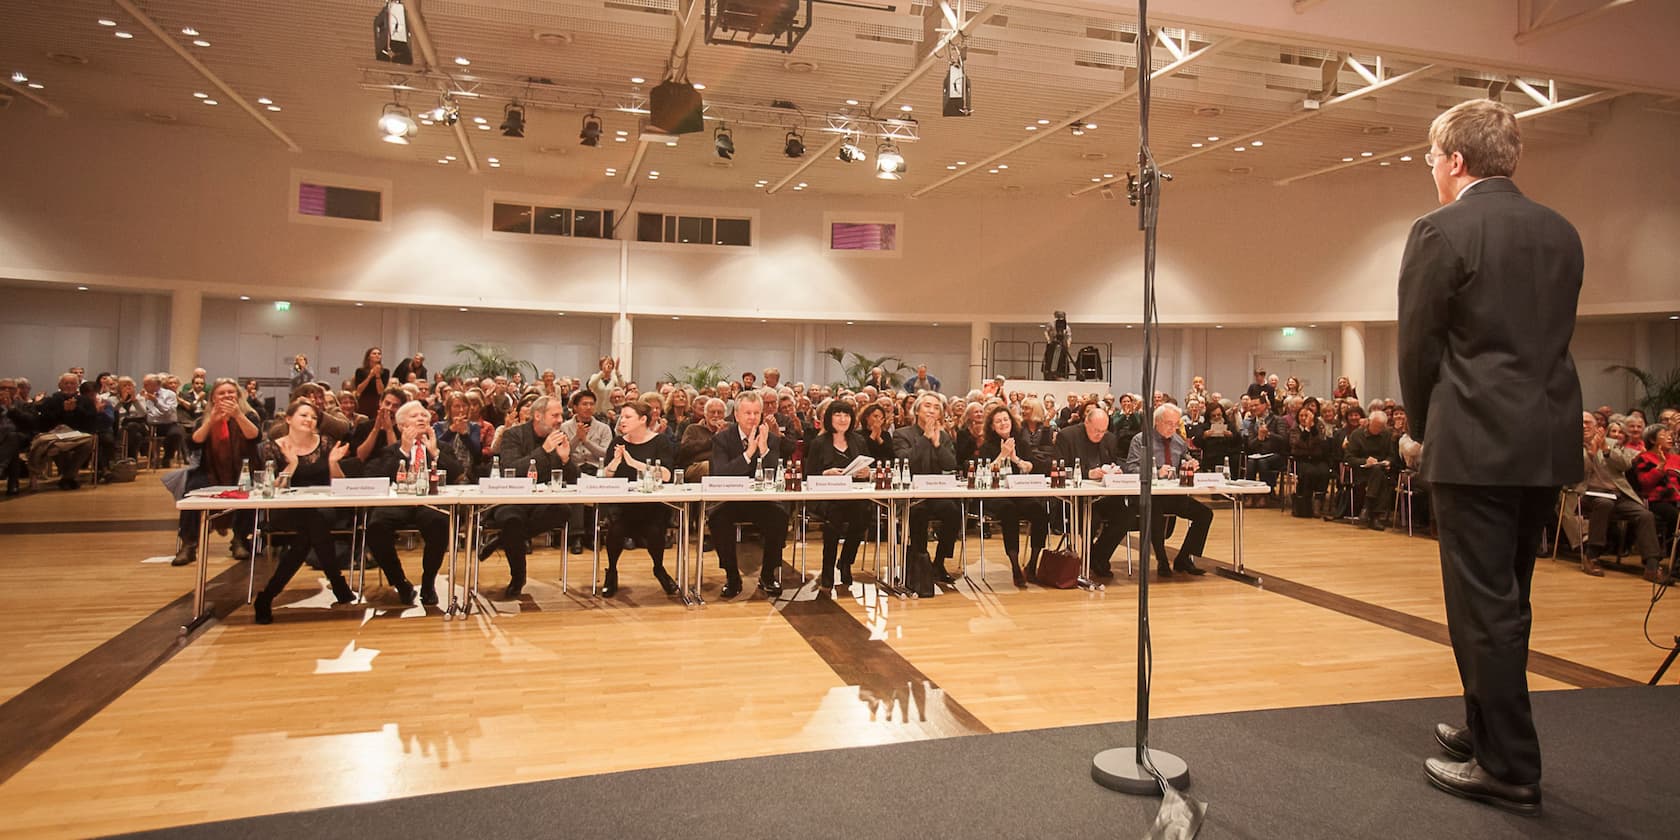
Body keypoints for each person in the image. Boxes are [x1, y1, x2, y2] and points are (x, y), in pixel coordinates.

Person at [1399, 98, 1581, 815]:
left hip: (1473, 443)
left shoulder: (1441, 230)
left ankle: (1509, 767)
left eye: (1430, 157)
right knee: (1510, 598)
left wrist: (1421, 428)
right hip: (1544, 440)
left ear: (1455, 161)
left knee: (1481, 610)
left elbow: (1419, 348)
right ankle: (1485, 728)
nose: (1430, 170)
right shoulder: (1561, 232)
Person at [252, 399, 355, 624]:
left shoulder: (326, 443)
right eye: (304, 415)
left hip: (323, 507)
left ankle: (267, 597)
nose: (309, 420)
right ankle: (338, 584)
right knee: (311, 530)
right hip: (287, 509)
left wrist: (334, 463)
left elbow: (340, 484)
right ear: (288, 419)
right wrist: (291, 464)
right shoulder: (273, 446)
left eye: (313, 417)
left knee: (312, 527)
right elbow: (272, 489)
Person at [363, 401, 465, 607]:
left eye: (424, 416)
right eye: (414, 416)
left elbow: (457, 473)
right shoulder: (391, 450)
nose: (421, 418)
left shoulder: (441, 447)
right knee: (375, 526)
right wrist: (404, 450)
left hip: (430, 501)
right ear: (401, 426)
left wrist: (435, 453)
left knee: (440, 523)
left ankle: (428, 583)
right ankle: (401, 583)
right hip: (398, 502)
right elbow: (378, 477)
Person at [483, 396, 577, 598]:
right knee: (512, 520)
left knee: (563, 510)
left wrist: (565, 459)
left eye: (561, 414)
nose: (560, 419)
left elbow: (574, 479)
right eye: (555, 415)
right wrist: (543, 451)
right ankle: (518, 578)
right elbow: (511, 469)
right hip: (512, 498)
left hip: (543, 500)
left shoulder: (559, 436)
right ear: (537, 416)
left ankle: (501, 539)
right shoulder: (513, 435)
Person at [707, 391, 789, 598]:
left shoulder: (770, 438)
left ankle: (768, 575)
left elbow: (775, 475)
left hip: (761, 500)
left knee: (780, 517)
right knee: (717, 519)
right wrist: (747, 454)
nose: (752, 418)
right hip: (731, 500)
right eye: (747, 413)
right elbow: (720, 474)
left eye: (756, 413)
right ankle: (732, 576)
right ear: (736, 415)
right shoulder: (722, 439)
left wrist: (763, 450)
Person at [594, 403, 679, 598]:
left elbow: (666, 475)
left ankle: (659, 569)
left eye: (627, 417)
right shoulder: (617, 441)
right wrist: (615, 462)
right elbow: (605, 477)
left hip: (652, 507)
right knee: (616, 530)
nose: (622, 420)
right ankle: (612, 572)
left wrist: (634, 464)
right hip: (623, 507)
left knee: (655, 531)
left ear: (643, 420)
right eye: (621, 416)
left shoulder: (660, 442)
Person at [1575, 412, 1664, 580]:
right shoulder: (1570, 445)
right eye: (1581, 423)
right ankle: (1592, 556)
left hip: (1617, 494)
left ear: (1597, 427)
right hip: (1588, 494)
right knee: (1604, 503)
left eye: (1588, 422)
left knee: (1645, 514)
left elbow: (1625, 465)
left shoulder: (1611, 443)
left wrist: (1606, 450)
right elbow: (1576, 474)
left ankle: (1652, 566)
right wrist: (1592, 454)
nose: (1584, 426)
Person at [1125, 404, 1210, 577]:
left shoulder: (1178, 441)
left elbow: (1186, 458)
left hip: (1172, 493)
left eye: (1176, 424)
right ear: (1157, 422)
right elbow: (1131, 467)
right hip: (1149, 495)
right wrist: (1154, 470)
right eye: (1169, 423)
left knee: (1205, 514)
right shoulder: (1141, 440)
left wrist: (1190, 464)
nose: (1173, 428)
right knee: (1155, 511)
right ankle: (1162, 560)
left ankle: (1184, 558)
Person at [1054, 406, 1132, 578]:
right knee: (1092, 519)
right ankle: (1092, 561)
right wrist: (1087, 473)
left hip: (1102, 495)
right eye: (1096, 430)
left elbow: (1117, 461)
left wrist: (1115, 469)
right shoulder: (1067, 436)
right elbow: (1059, 468)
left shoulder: (1109, 439)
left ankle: (1097, 556)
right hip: (1075, 499)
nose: (1100, 435)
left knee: (1127, 516)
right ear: (1086, 423)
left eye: (1103, 431)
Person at [978, 405, 1049, 587]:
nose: (1003, 423)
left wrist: (1016, 459)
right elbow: (984, 473)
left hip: (1020, 492)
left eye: (1006, 419)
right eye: (998, 421)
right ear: (992, 427)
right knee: (1008, 511)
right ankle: (1015, 566)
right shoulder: (987, 446)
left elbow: (1031, 467)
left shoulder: (1022, 443)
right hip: (996, 495)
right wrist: (1002, 455)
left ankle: (1033, 563)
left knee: (1039, 512)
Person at [894, 393, 961, 583]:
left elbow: (950, 465)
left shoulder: (944, 435)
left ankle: (939, 563)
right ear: (916, 410)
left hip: (936, 491)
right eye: (927, 406)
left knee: (953, 511)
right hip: (910, 493)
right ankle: (920, 563)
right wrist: (925, 438)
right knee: (918, 514)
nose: (932, 410)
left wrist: (938, 444)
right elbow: (904, 460)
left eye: (936, 407)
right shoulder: (902, 434)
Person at [804, 401, 871, 588]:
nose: (843, 419)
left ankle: (846, 562)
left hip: (854, 495)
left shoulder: (858, 441)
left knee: (863, 516)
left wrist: (867, 473)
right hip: (827, 497)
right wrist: (825, 474)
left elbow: (868, 468)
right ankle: (827, 569)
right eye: (838, 415)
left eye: (847, 415)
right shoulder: (819, 443)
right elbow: (808, 476)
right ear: (829, 418)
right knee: (834, 517)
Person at [1632, 425, 1679, 569]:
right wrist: (1660, 467)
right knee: (1676, 517)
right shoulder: (1643, 458)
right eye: (1664, 435)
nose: (1669, 438)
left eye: (1670, 435)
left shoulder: (1677, 458)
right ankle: (1676, 562)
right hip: (1656, 500)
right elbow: (1645, 483)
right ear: (1652, 439)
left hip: (1676, 499)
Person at [1288, 403, 1335, 519]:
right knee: (1309, 472)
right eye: (1302, 416)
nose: (1304, 418)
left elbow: (1321, 444)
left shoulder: (1319, 428)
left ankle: (1318, 501)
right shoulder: (1294, 429)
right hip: (1301, 459)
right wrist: (1306, 430)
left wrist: (1312, 429)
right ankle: (1307, 502)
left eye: (1307, 416)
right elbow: (1296, 444)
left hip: (1318, 458)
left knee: (1324, 472)